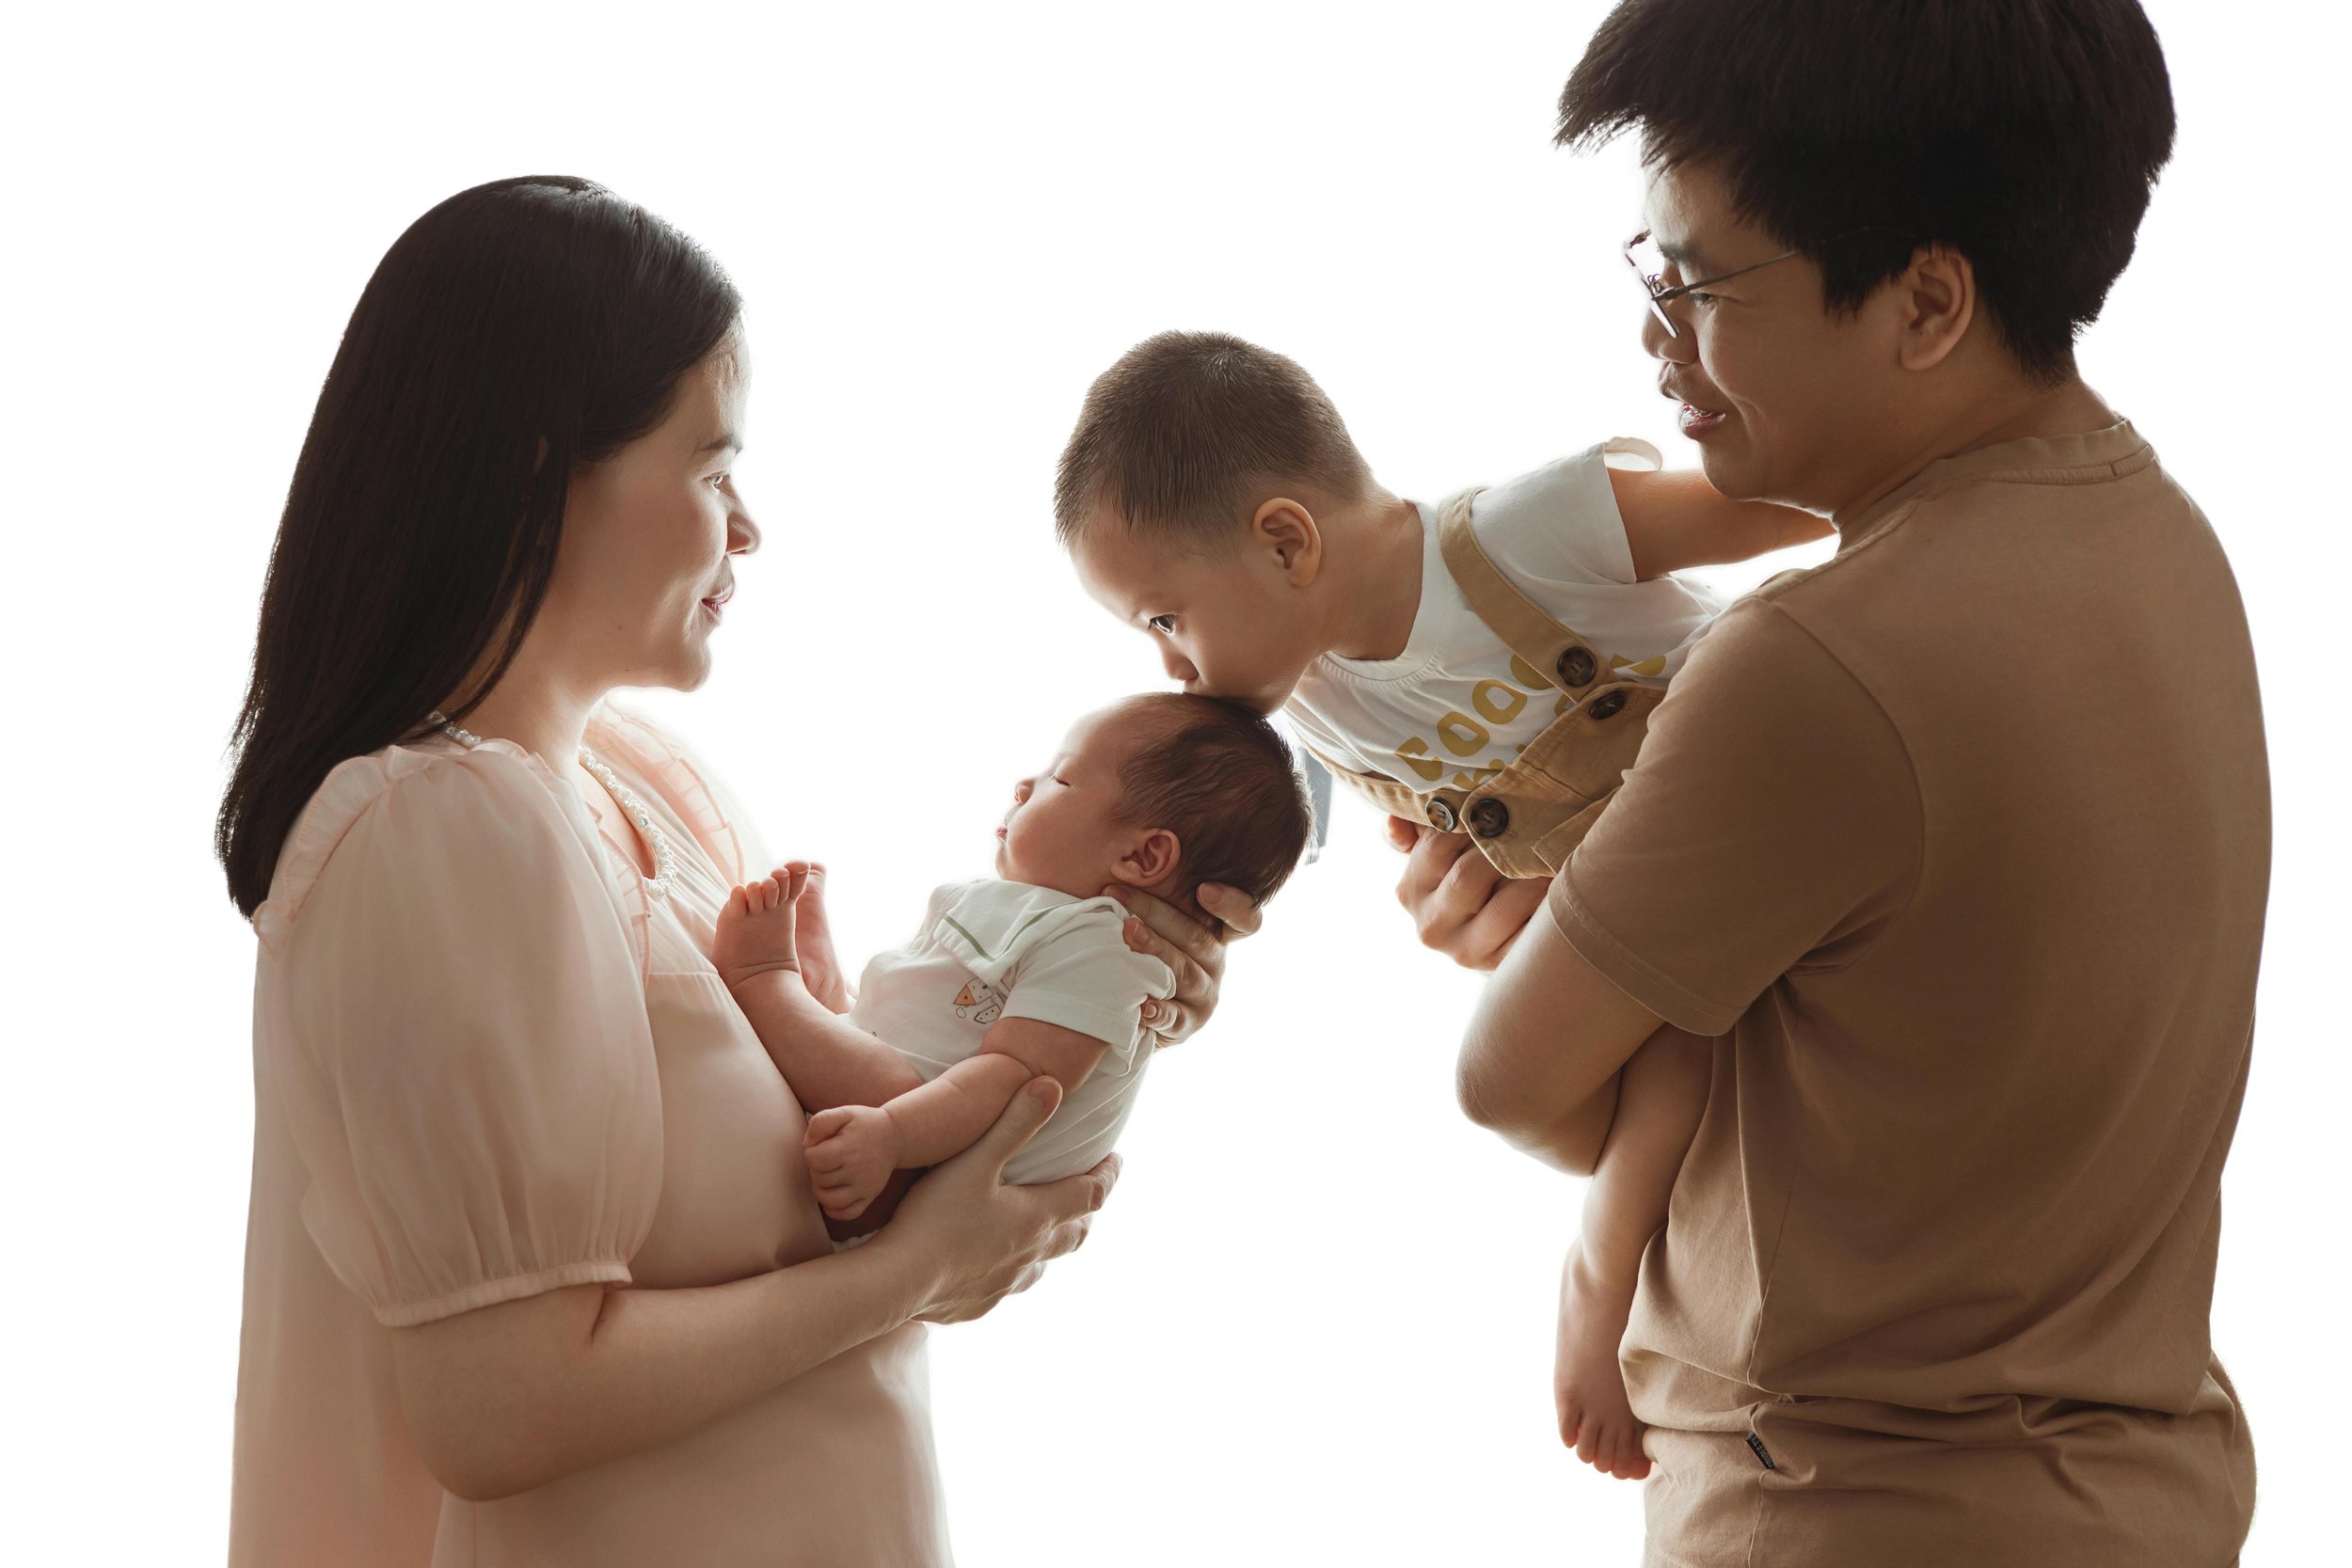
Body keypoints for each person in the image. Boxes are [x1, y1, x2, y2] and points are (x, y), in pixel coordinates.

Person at [215, 176, 1249, 1566]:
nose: (748, 527)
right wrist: (912, 1271)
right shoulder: (434, 822)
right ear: (537, 473)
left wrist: (1119, 965)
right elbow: (499, 1404)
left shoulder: (653, 780)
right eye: (712, 469)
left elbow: (863, 1180)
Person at [1403, 3, 2261, 1563]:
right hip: (2137, 1502)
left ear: (1928, 298)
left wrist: (1553, 931)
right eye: (1647, 270)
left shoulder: (1815, 658)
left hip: (1849, 1509)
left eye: (1701, 280)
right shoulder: (2161, 535)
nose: (1657, 332)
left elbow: (1510, 1080)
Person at [1057, 329, 1827, 1475]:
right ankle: (1703, 1299)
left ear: (1284, 540)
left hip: (1772, 795)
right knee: (1543, 1076)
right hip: (1629, 917)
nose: (1172, 665)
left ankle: (1601, 1275)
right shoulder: (1313, 699)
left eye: (1166, 616)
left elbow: (1814, 502)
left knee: (1635, 1055)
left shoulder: (1524, 540)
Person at [709, 693, 1312, 1223]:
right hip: (912, 1105)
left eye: (1062, 779)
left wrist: (893, 1136)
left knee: (887, 1084)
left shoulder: (1111, 951)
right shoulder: (1055, 919)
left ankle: (765, 980)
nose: (1025, 784)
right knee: (879, 1032)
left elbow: (1010, 1080)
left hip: (916, 1167)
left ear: (1143, 857)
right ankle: (823, 994)